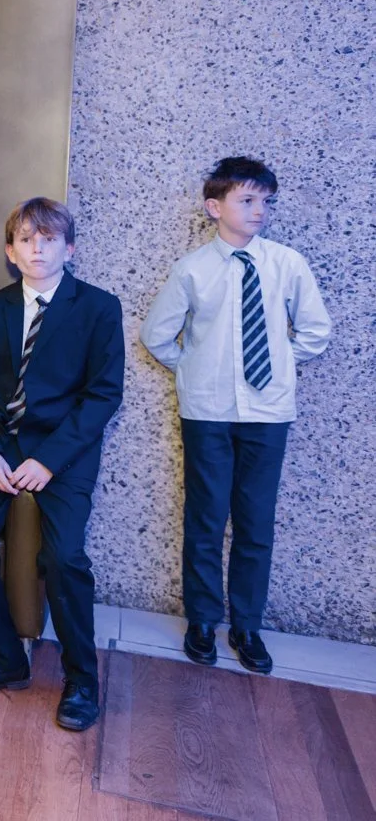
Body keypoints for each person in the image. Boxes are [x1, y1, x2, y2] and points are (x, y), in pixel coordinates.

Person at [0, 197, 124, 733]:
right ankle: (5, 657)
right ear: (9, 251)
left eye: (48, 239)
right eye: (25, 239)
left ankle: (82, 679)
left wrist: (48, 459)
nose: (36, 248)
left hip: (63, 451)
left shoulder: (97, 307)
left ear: (70, 248)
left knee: (64, 558)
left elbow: (102, 395)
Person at [141, 157, 330, 674]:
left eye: (265, 201)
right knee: (205, 517)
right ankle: (202, 619)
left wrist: (278, 361)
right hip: (208, 411)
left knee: (255, 521)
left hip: (268, 411)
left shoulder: (286, 264)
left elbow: (316, 329)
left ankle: (247, 625)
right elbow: (157, 334)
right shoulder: (192, 269)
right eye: (247, 200)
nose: (259, 210)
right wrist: (196, 370)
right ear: (214, 206)